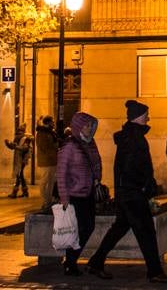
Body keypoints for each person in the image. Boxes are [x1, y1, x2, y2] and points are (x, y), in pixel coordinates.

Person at [85, 100, 167, 283]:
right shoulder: (134, 138)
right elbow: (130, 167)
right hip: (133, 194)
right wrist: (143, 185)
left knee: (119, 229)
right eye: (146, 114)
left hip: (127, 193)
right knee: (147, 232)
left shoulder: (130, 136)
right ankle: (155, 272)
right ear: (139, 117)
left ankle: (96, 262)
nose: (148, 117)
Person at [57, 111, 103, 276]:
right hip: (74, 194)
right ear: (78, 126)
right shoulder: (69, 145)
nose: (90, 129)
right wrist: (64, 198)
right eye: (86, 125)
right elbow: (61, 173)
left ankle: (70, 261)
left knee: (88, 227)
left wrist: (97, 177)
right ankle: (70, 263)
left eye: (91, 125)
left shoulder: (91, 143)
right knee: (77, 229)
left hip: (88, 192)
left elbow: (97, 162)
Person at [35, 116, 60, 209]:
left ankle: (49, 201)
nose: (54, 123)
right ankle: (46, 200)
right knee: (45, 181)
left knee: (51, 182)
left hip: (53, 160)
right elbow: (44, 147)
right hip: (46, 161)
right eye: (52, 121)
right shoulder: (42, 133)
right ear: (48, 122)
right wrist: (55, 147)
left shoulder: (51, 132)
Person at [5, 122, 32, 198]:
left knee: (19, 174)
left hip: (22, 158)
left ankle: (15, 192)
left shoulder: (25, 138)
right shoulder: (19, 137)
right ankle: (25, 191)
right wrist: (9, 144)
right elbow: (14, 147)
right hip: (19, 158)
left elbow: (25, 148)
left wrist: (13, 146)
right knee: (20, 174)